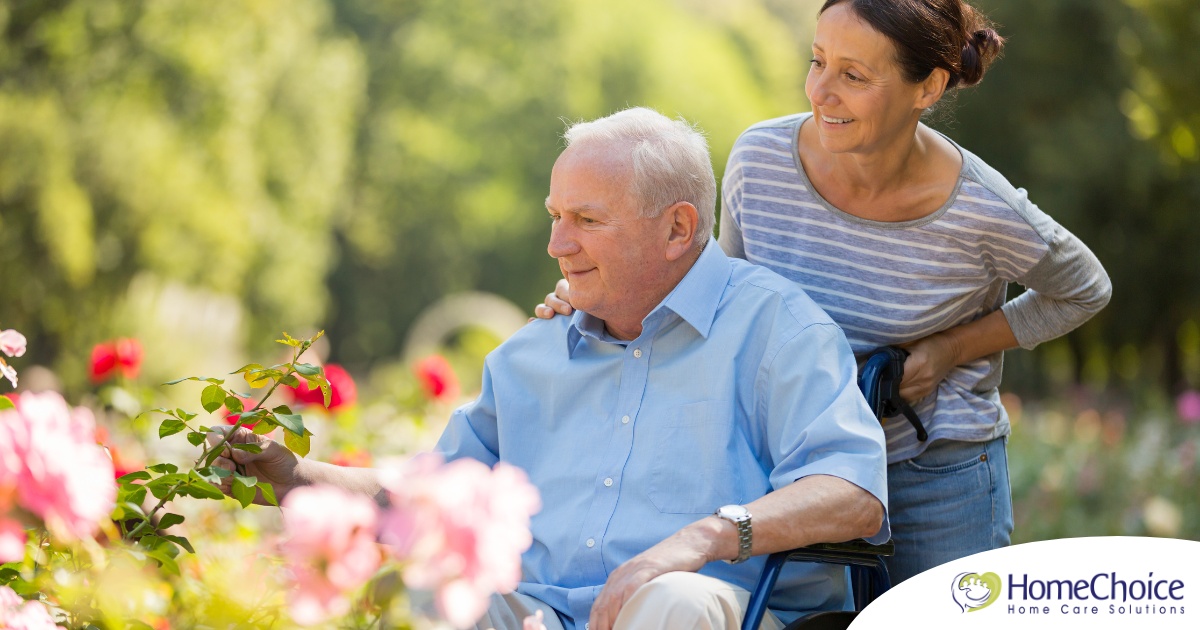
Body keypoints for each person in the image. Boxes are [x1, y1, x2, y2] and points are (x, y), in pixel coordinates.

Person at [215, 107, 889, 630]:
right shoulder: (530, 355)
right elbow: (433, 494)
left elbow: (853, 492)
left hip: (708, 611)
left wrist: (701, 538)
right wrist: (295, 474)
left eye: (586, 220)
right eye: (555, 216)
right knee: (417, 593)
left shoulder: (776, 329)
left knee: (671, 600)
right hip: (538, 614)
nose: (556, 244)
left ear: (678, 229)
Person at [536, 0, 1111, 585]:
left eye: (854, 76)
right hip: (791, 471)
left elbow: (1083, 290)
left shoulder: (981, 208)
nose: (820, 92)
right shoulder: (760, 161)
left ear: (929, 86)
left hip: (931, 468)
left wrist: (949, 351)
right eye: (817, 62)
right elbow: (720, 297)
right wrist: (597, 295)